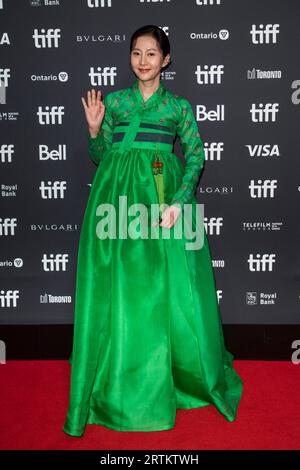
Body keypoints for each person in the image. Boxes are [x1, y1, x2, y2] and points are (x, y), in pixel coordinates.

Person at [63, 24, 243, 437]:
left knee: (169, 291)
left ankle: (176, 374)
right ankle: (118, 376)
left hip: (162, 201)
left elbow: (196, 158)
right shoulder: (115, 102)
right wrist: (93, 130)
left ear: (166, 60)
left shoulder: (177, 107)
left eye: (151, 54)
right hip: (115, 202)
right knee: (123, 289)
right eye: (136, 53)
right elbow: (101, 157)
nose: (142, 61)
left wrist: (178, 204)